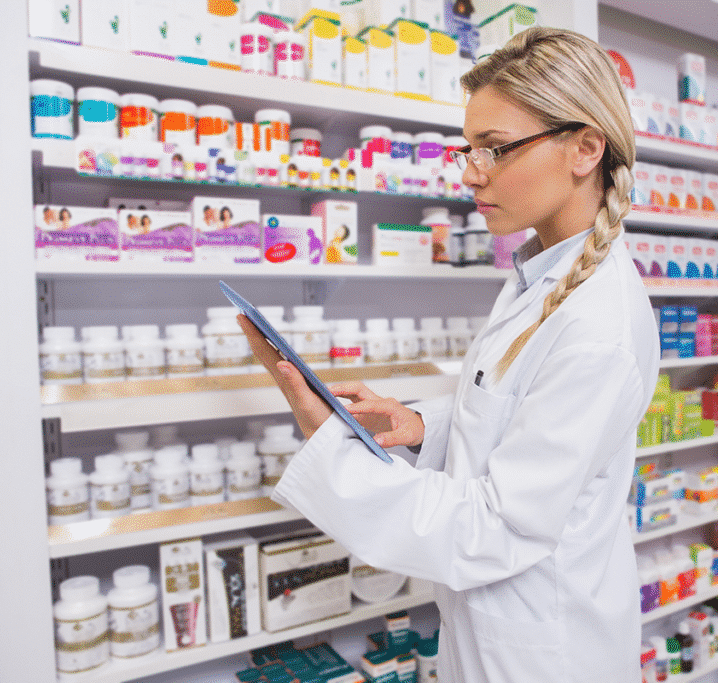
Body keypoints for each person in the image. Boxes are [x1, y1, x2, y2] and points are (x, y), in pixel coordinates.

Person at [238, 27, 659, 683]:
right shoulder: (540, 274)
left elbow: (498, 526)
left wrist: (332, 448)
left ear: (584, 148)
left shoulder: (596, 322)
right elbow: (518, 408)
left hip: (547, 653)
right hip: (493, 632)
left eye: (494, 149)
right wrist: (423, 423)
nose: (469, 173)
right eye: (468, 149)